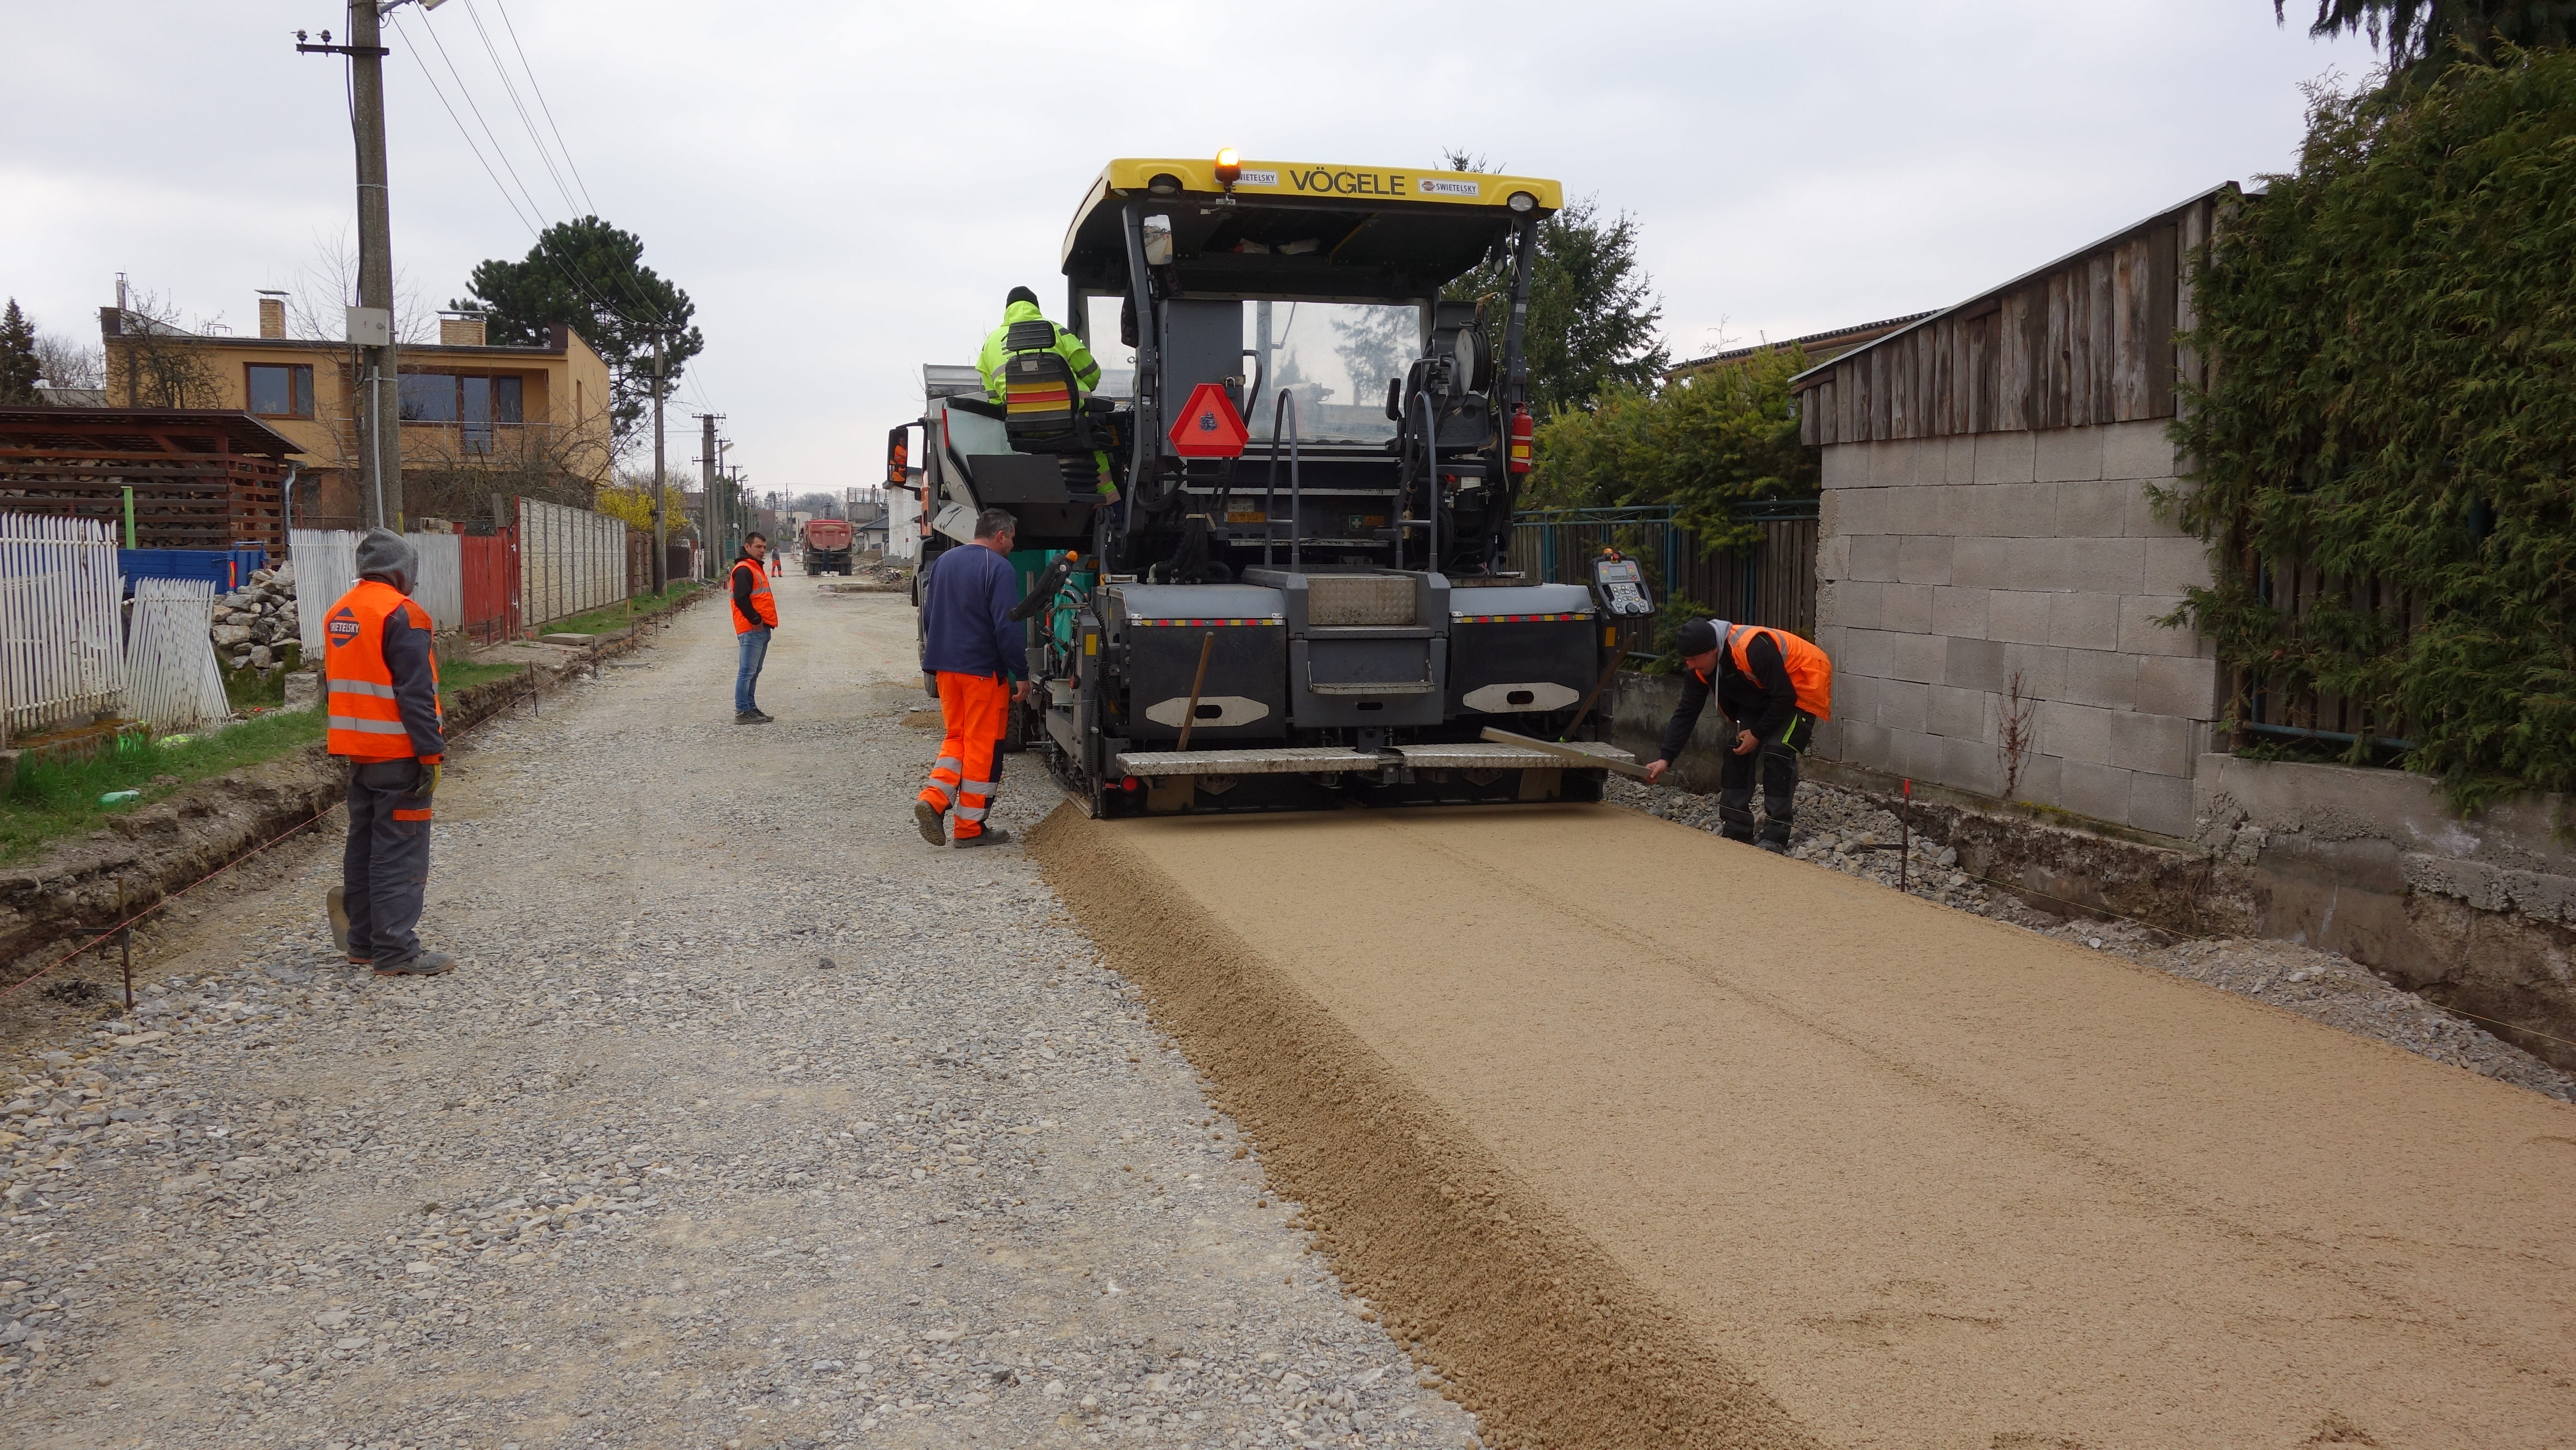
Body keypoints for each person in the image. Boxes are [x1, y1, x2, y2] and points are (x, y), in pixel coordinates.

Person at [322, 528, 453, 976]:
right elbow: (416, 694)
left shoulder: (341, 612)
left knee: (363, 849)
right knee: (400, 852)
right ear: (400, 572)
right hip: (399, 755)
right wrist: (431, 754)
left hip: (358, 754)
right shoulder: (403, 614)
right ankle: (396, 952)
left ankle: (362, 943)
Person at [1645, 617, 1834, 853]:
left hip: (1800, 688)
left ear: (1714, 650)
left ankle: (1776, 835)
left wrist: (1758, 732)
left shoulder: (1754, 648)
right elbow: (1686, 713)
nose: (1690, 666)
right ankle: (1737, 829)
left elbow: (1785, 697)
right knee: (1738, 749)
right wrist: (1666, 758)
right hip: (1763, 695)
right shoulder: (1699, 669)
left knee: (1778, 753)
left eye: (1694, 659)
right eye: (1687, 660)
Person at [913, 508, 1032, 849]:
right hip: (982, 671)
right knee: (981, 745)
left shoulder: (946, 563)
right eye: (1012, 537)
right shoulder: (998, 567)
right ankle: (968, 827)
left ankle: (934, 799)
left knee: (958, 738)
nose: (1013, 543)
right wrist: (1020, 674)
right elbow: (1007, 628)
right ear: (1002, 534)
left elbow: (931, 616)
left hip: (946, 670)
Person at [977, 286, 1119, 509]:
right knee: (1096, 439)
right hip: (1070, 424)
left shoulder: (989, 345)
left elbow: (995, 401)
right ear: (1036, 308)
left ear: (1007, 310)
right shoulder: (1057, 331)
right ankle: (1109, 502)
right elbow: (1093, 373)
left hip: (1024, 431)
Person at [731, 533, 778, 724]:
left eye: (764, 548)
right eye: (758, 547)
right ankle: (743, 711)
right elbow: (740, 599)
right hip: (752, 627)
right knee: (747, 671)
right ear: (747, 547)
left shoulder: (753, 567)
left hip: (760, 627)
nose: (762, 551)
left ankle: (750, 708)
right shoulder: (744, 569)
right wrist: (755, 618)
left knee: (754, 671)